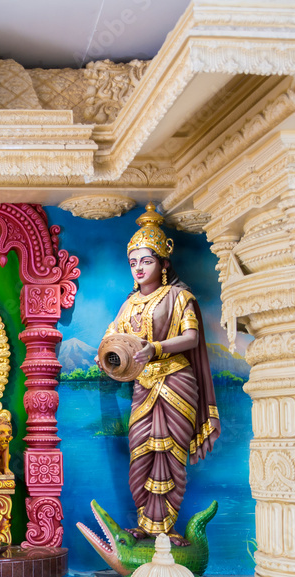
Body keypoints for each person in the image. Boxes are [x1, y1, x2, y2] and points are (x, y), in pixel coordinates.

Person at [101, 203, 220, 546]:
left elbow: (192, 338)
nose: (139, 268)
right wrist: (106, 358)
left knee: (170, 453)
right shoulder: (128, 304)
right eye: (134, 262)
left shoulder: (180, 297)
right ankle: (145, 523)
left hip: (176, 383)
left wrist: (156, 349)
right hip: (143, 386)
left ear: (164, 264)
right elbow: (112, 339)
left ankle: (167, 528)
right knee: (141, 453)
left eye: (147, 261)